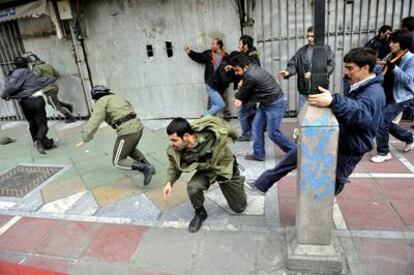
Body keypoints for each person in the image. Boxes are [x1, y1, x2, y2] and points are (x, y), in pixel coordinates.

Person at [245, 47, 385, 196]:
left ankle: (319, 210)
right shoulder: (359, 84)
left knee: (334, 183)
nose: (346, 72)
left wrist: (333, 101)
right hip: (338, 136)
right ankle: (263, 184)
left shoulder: (374, 92)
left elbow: (361, 113)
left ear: (365, 68)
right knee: (299, 152)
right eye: (346, 68)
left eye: (350, 68)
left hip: (351, 146)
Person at [162, 117, 247, 233]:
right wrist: (169, 182)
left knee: (239, 208)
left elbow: (227, 128)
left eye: (174, 140)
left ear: (186, 136)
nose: (171, 144)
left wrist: (234, 136)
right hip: (207, 171)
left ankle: (237, 182)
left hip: (224, 167)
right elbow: (174, 166)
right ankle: (200, 213)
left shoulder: (210, 132)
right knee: (192, 187)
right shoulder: (176, 150)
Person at [76, 85, 155, 185]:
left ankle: (145, 168)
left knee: (118, 161)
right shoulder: (116, 97)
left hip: (127, 131)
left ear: (95, 97)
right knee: (129, 149)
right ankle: (149, 166)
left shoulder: (101, 101)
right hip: (138, 126)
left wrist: (85, 138)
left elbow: (95, 120)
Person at [230, 54, 295, 161]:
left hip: (275, 103)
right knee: (256, 127)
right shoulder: (252, 68)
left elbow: (244, 94)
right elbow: (250, 92)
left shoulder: (250, 76)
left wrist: (239, 98)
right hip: (266, 103)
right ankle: (259, 154)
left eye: (237, 70)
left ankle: (294, 152)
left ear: (245, 67)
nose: (236, 73)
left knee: (273, 133)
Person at [371, 30, 414, 163]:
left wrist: (394, 68)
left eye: (394, 42)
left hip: (401, 97)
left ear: (403, 44)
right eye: (390, 41)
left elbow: (408, 80)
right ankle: (408, 137)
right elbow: (379, 71)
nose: (390, 44)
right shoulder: (390, 55)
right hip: (387, 94)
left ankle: (383, 152)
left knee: (382, 120)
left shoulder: (411, 59)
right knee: (384, 122)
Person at [1, 57, 55, 154]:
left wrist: (5, 95)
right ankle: (39, 141)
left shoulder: (13, 74)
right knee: (43, 125)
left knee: (32, 122)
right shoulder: (28, 72)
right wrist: (50, 79)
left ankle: (39, 141)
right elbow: (39, 82)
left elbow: (12, 87)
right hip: (37, 100)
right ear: (26, 64)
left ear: (14, 65)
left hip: (25, 102)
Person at [278, 26, 335, 112]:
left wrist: (314, 74)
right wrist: (287, 72)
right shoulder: (302, 51)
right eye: (308, 36)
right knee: (302, 116)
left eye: (312, 36)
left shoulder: (326, 50)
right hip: (304, 91)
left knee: (318, 117)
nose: (309, 38)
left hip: (319, 91)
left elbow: (331, 66)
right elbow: (293, 63)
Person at [184, 38, 231, 119]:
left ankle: (223, 115)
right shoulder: (208, 54)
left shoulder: (226, 56)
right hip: (211, 83)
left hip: (222, 84)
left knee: (223, 100)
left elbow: (231, 67)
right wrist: (190, 53)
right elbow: (199, 57)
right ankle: (207, 117)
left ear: (218, 45)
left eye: (213, 43)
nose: (211, 45)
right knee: (213, 102)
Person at [24, 53, 77, 123]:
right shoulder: (46, 65)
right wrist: (51, 81)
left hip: (48, 89)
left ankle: (70, 117)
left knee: (54, 105)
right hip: (53, 87)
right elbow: (57, 74)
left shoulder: (36, 67)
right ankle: (68, 105)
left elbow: (36, 75)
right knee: (51, 102)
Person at [237, 35, 261, 141]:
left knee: (242, 112)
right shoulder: (248, 54)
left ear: (245, 45)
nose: (238, 45)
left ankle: (247, 134)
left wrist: (244, 80)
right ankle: (255, 130)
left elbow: (253, 71)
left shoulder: (252, 57)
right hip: (251, 90)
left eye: (240, 43)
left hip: (251, 90)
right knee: (251, 112)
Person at [202, 51, 241, 116]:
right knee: (220, 104)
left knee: (214, 108)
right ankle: (203, 118)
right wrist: (233, 73)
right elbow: (224, 80)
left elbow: (236, 79)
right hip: (212, 87)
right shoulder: (224, 65)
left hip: (218, 89)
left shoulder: (233, 68)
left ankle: (208, 122)